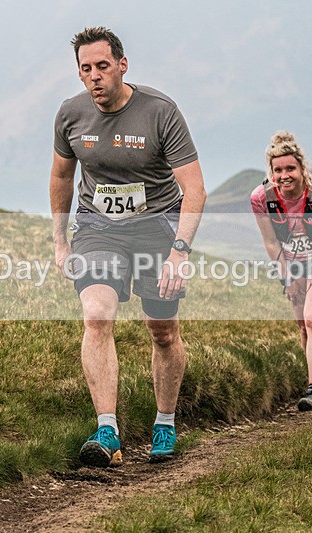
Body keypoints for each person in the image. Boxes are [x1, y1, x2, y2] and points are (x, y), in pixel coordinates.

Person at [49, 27, 206, 467]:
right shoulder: (70, 115)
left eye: (102, 66)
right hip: (99, 228)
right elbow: (62, 177)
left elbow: (194, 189)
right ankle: (107, 430)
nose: (95, 77)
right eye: (86, 69)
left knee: (163, 331)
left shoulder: (160, 112)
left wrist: (179, 252)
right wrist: (61, 241)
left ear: (122, 65)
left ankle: (165, 422)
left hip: (157, 228)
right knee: (97, 315)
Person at [251, 131, 312, 411]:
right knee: (304, 325)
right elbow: (270, 241)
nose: (284, 175)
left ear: (302, 169)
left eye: (290, 168)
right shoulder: (261, 198)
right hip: (291, 262)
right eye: (277, 170)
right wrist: (288, 275)